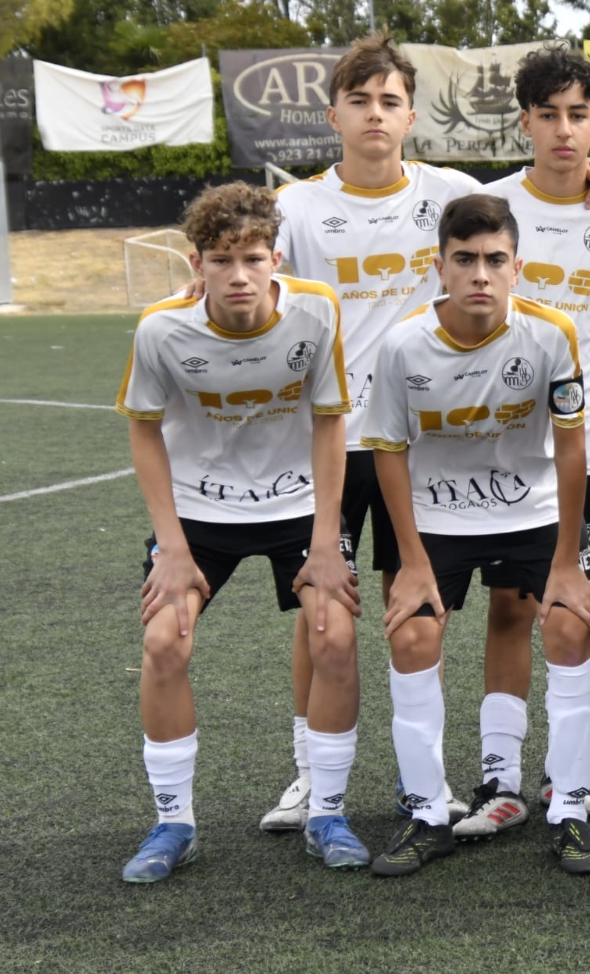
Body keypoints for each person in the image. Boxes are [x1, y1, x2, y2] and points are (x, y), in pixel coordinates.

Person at [261, 33, 590, 831]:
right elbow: (249, 272)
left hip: (423, 449)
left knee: (433, 610)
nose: (375, 114)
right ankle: (308, 772)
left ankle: (461, 775)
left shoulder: (453, 189)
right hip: (332, 439)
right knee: (322, 610)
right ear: (333, 115)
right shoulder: (297, 208)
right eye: (359, 101)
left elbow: (531, 195)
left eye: (390, 101)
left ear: (411, 115)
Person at [455, 45, 590, 836]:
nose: (562, 130)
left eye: (577, 115)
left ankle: (564, 777)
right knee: (509, 607)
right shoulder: (488, 207)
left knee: (569, 608)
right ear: (525, 122)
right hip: (496, 445)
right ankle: (499, 779)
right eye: (547, 115)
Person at [116, 183, 364, 882]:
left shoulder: (317, 308)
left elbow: (330, 421)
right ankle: (173, 823)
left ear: (275, 259)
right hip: (200, 511)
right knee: (164, 641)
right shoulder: (161, 327)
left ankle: (328, 813)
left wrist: (326, 541)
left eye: (253, 258)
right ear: (196, 264)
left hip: (297, 505)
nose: (238, 275)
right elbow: (144, 432)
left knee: (334, 635)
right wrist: (171, 547)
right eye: (221, 260)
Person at [362, 193, 590, 876]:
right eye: (464, 259)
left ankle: (569, 809)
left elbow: (572, 449)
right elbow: (388, 451)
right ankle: (426, 814)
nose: (480, 274)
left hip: (531, 515)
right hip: (437, 520)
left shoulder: (551, 334)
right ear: (439, 267)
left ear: (516, 267)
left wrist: (567, 562)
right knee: (412, 637)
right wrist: (411, 563)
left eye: (495, 260)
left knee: (569, 627)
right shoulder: (403, 343)